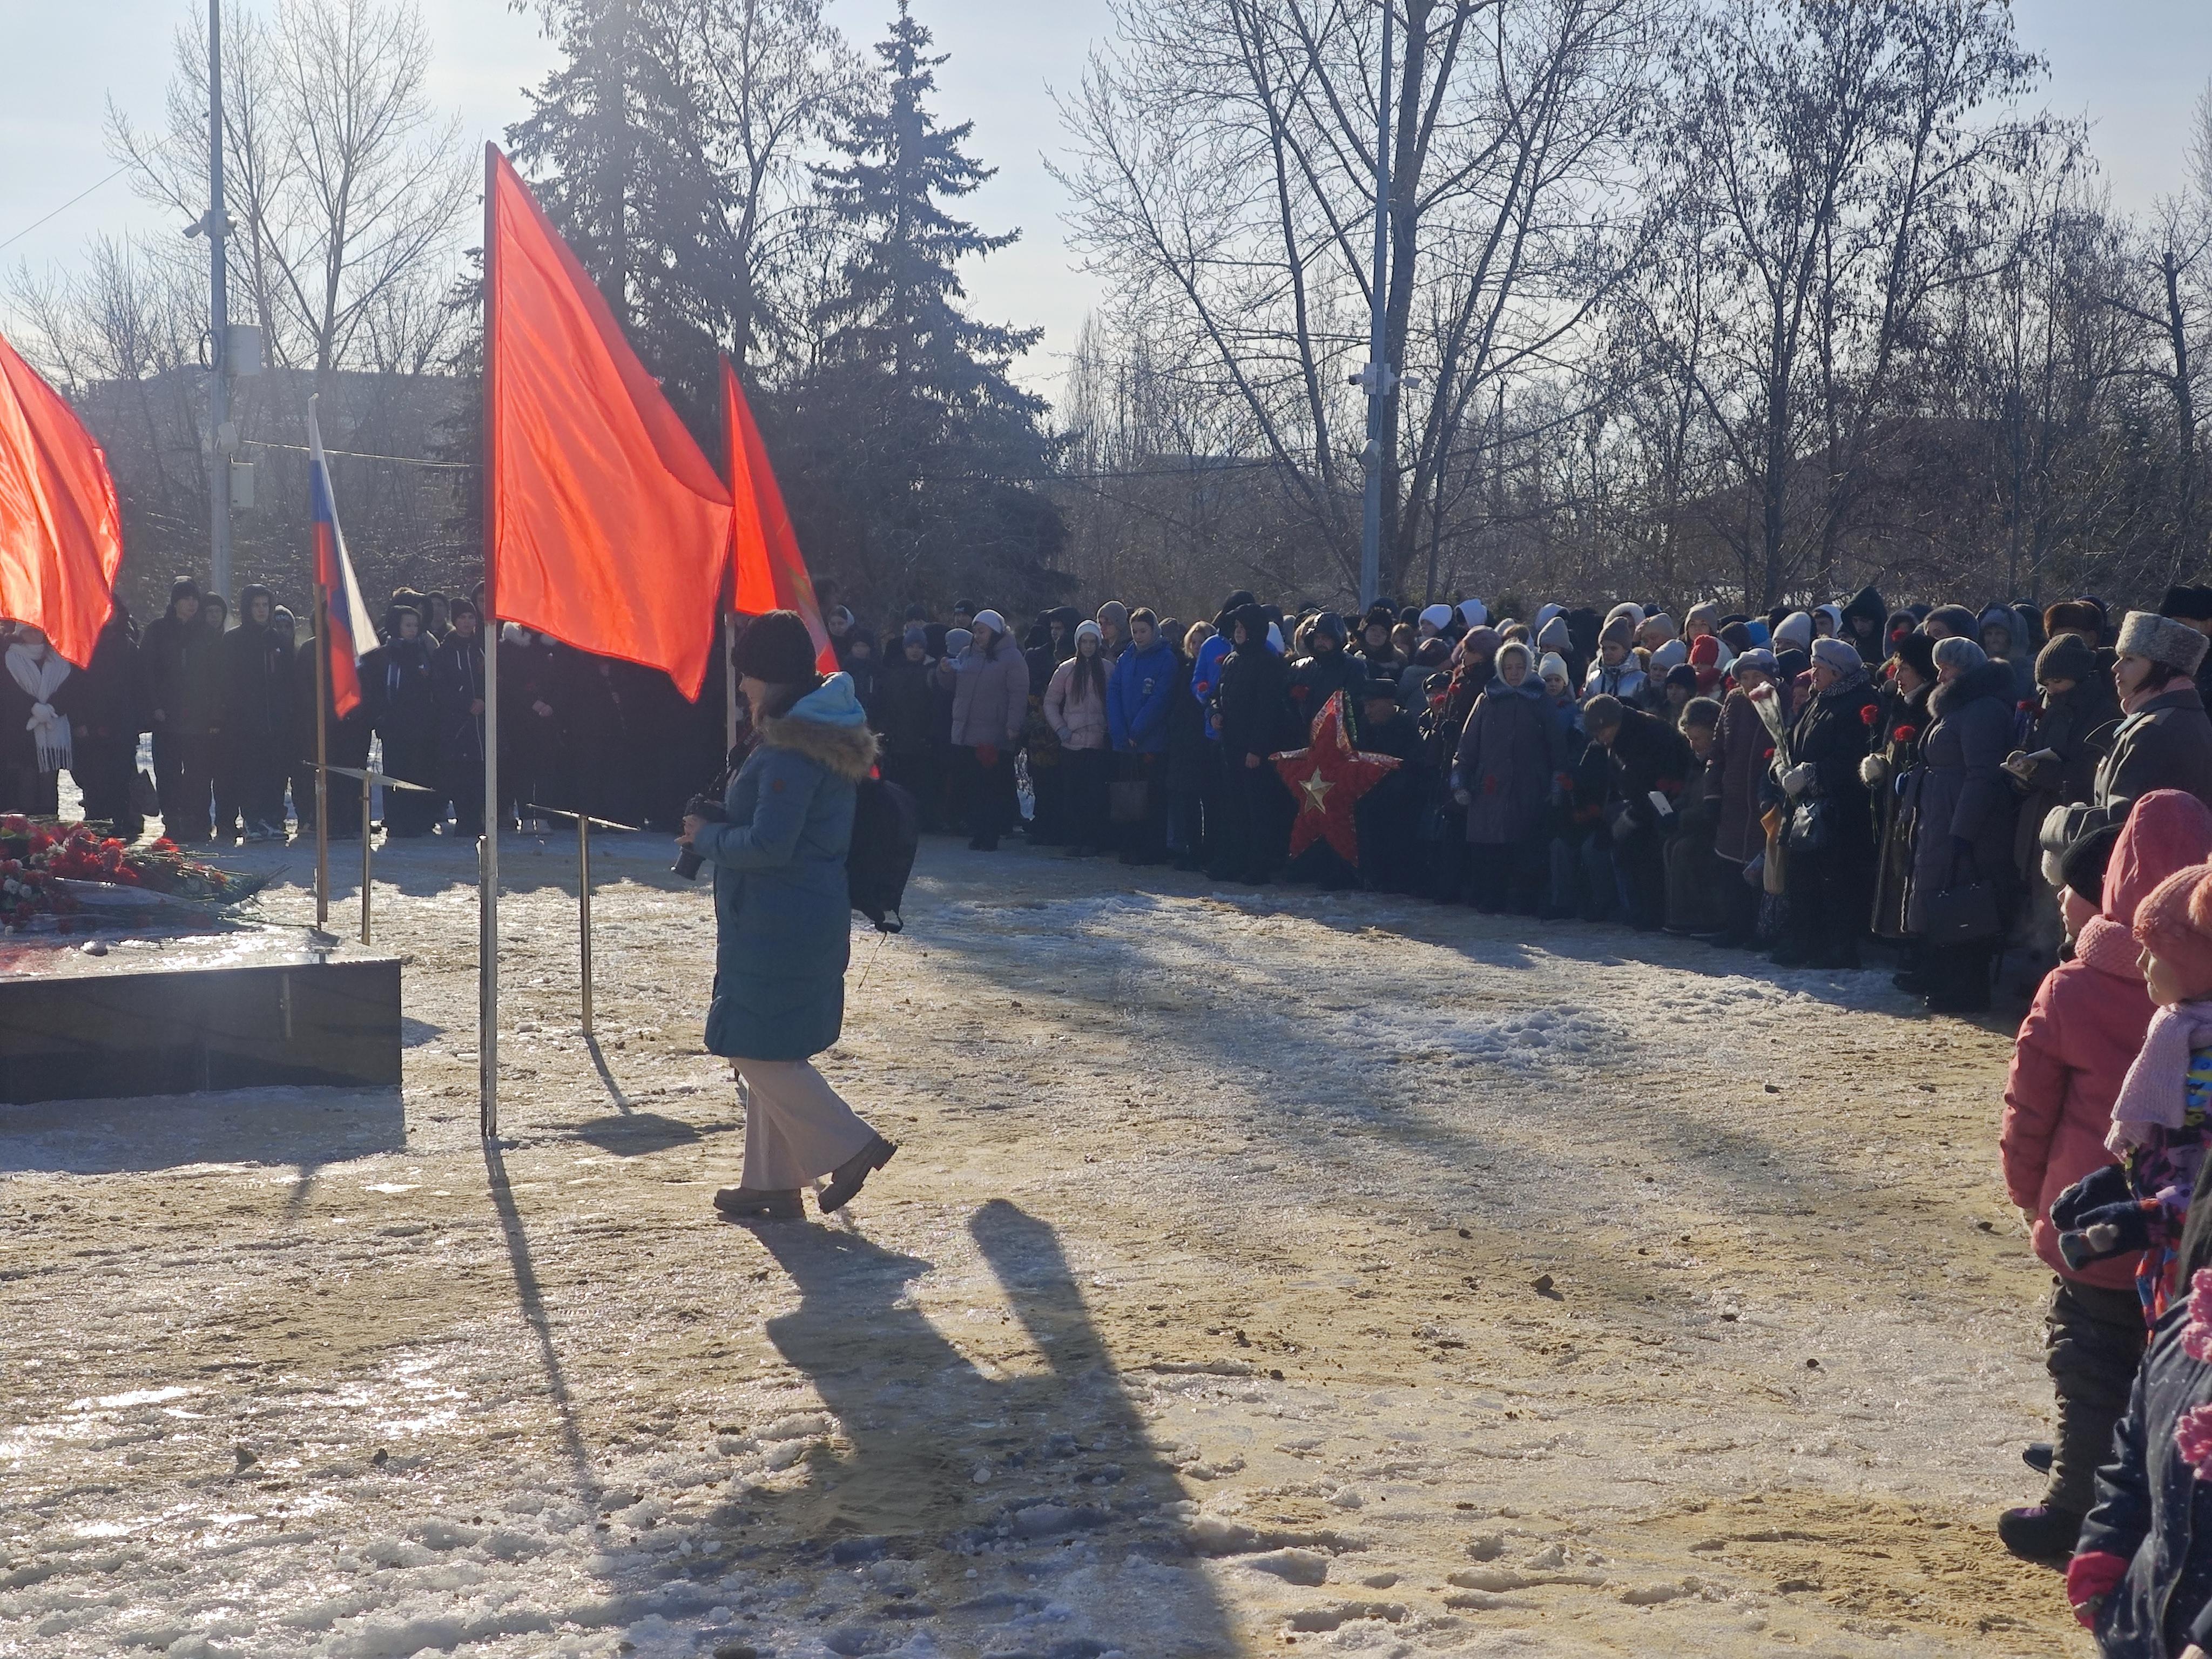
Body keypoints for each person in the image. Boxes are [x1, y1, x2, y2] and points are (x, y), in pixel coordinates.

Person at [1999, 794, 2212, 1562]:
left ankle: (2073, 1505)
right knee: (2163, 1368)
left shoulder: (2073, 987)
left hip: (2097, 1223)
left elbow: (2030, 1107)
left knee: (2088, 1362)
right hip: (2185, 1237)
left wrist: (2028, 1191)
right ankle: (2110, 1470)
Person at [685, 610, 895, 1224]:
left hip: (780, 920)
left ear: (770, 675)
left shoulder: (790, 751)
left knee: (749, 1045)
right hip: (792, 916)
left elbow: (770, 845)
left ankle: (850, 1146)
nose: (742, 686)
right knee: (770, 1044)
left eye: (747, 673)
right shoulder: (806, 735)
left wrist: (705, 838)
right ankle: (771, 1183)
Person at [1904, 636, 2019, 1013]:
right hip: (1942, 813)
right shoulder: (1959, 706)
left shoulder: (1983, 709)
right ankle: (1944, 979)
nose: (1940, 676)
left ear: (1966, 670)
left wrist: (1962, 830)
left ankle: (1965, 988)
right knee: (1943, 896)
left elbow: (1982, 774)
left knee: (1965, 903)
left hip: (1963, 820)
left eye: (1947, 668)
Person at [1772, 637, 1881, 968]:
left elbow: (1854, 759)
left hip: (1841, 811)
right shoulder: (1819, 700)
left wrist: (1811, 773)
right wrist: (1781, 766)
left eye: (1818, 667)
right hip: (1808, 809)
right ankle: (1804, 942)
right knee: (1803, 877)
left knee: (1837, 881)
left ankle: (1838, 948)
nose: (1813, 673)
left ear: (1837, 672)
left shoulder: (1859, 703)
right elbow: (1791, 739)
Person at [1451, 640, 1563, 913]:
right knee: (1489, 846)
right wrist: (1460, 781)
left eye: (1520, 667)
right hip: (1489, 787)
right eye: (1509, 667)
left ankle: (1522, 901)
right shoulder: (1487, 700)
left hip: (1529, 787)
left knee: (1524, 845)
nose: (1514, 673)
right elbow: (1468, 746)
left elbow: (1557, 749)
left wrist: (1556, 785)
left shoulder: (1540, 701)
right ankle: (1490, 897)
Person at [1584, 693, 1692, 931]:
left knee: (1644, 848)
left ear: (1615, 723)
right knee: (1621, 844)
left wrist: (1634, 816)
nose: (1601, 738)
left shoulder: (1649, 734)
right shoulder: (1619, 740)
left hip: (1671, 802)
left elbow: (1657, 781)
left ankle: (1653, 914)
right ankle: (1637, 909)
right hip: (1643, 803)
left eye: (1603, 731)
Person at [1212, 602, 1290, 885]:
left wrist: (1257, 749)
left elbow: (1268, 711)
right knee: (1234, 807)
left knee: (1257, 808)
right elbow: (1218, 695)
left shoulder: (1268, 663)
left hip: (1253, 750)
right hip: (1230, 745)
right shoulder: (1232, 660)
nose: (1239, 632)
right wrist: (1215, 713)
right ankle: (1236, 860)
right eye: (1237, 627)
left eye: (1243, 627)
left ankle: (1259, 865)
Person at [140, 578, 222, 843]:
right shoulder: (158, 630)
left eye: (195, 599)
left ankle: (197, 821)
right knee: (168, 773)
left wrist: (214, 714)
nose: (191, 604)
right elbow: (147, 672)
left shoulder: (207, 633)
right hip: (167, 717)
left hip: (199, 719)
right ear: (175, 602)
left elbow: (217, 677)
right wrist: (155, 706)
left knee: (199, 774)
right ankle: (173, 820)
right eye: (186, 598)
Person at [945, 609, 1028, 851]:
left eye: (982, 632)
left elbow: (1018, 694)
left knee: (990, 786)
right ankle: (978, 831)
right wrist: (944, 672)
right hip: (966, 731)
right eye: (976, 632)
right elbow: (952, 686)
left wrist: (1013, 725)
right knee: (973, 785)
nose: (978, 636)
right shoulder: (967, 654)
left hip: (994, 732)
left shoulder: (1011, 657)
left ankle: (990, 833)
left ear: (995, 632)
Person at [219, 584, 293, 840]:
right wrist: (235, 711)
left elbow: (287, 680)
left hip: (275, 722)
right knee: (250, 773)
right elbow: (226, 680)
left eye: (265, 606)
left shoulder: (278, 640)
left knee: (275, 773)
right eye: (256, 606)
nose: (261, 611)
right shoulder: (234, 640)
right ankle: (252, 820)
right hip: (246, 722)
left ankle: (273, 818)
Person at [1108, 608, 1178, 865]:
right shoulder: (1126, 658)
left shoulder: (1166, 659)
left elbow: (1160, 699)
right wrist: (1119, 730)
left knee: (1151, 797)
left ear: (1154, 630)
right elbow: (1114, 692)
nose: (1138, 636)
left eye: (1143, 631)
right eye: (1135, 631)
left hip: (1151, 742)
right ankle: (1129, 845)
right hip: (1125, 742)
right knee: (1127, 796)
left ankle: (1152, 849)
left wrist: (1137, 730)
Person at [70, 604, 142, 840]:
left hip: (122, 721)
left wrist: (137, 720)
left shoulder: (128, 644)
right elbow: (76, 683)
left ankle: (122, 821)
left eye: (114, 611)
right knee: (93, 776)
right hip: (91, 721)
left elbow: (137, 685)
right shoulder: (85, 642)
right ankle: (96, 821)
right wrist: (79, 720)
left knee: (121, 777)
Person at [370, 607, 441, 835]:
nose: (412, 630)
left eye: (415, 626)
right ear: (396, 627)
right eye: (407, 625)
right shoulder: (385, 653)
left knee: (418, 771)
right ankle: (396, 820)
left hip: (420, 725)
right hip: (394, 725)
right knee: (394, 772)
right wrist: (381, 716)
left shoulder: (424, 652)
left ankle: (419, 820)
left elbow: (432, 686)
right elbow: (378, 688)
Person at [1045, 621, 1112, 858]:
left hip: (1099, 742)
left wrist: (1111, 729)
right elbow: (1050, 702)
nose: (1089, 646)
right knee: (1073, 794)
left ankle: (1093, 840)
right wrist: (1060, 728)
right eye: (1084, 642)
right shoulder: (1066, 670)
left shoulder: (1108, 670)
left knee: (1096, 795)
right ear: (1078, 643)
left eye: (1093, 642)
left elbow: (1114, 703)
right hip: (1071, 742)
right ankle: (1073, 839)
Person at [0, 626, 73, 815]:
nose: (33, 635)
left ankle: (49, 826)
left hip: (52, 732)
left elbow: (70, 690)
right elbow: (8, 692)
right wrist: (33, 708)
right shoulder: (10, 657)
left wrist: (50, 709)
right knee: (26, 784)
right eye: (28, 631)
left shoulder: (59, 658)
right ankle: (26, 829)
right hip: (23, 731)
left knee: (49, 786)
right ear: (20, 633)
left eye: (37, 631)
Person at [875, 626, 940, 828]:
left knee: (921, 782)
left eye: (919, 647)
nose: (915, 651)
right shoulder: (893, 671)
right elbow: (886, 704)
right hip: (898, 738)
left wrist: (930, 733)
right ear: (905, 648)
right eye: (911, 646)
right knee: (899, 783)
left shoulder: (932, 671)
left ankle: (923, 820)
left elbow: (935, 707)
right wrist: (886, 731)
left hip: (921, 738)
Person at [433, 601, 488, 838]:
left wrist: (483, 699)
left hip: (482, 722)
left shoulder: (482, 647)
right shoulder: (444, 651)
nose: (467, 622)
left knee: (480, 773)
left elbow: (495, 678)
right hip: (457, 723)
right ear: (454, 620)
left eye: (471, 617)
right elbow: (440, 687)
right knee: (460, 774)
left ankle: (481, 818)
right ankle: (465, 819)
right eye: (463, 617)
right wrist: (466, 703)